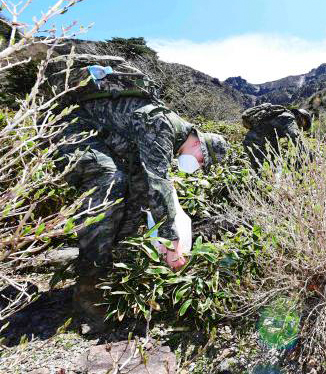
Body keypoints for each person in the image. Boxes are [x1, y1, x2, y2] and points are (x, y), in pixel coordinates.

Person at [52, 53, 229, 331]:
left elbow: (147, 188)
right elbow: (159, 182)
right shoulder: (163, 125)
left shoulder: (166, 137)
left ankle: (115, 271)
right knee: (108, 180)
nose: (198, 165)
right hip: (71, 130)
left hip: (95, 136)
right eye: (203, 160)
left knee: (135, 194)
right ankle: (88, 290)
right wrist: (172, 246)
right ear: (197, 141)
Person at [241, 103, 311, 169]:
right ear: (301, 118)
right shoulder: (289, 118)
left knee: (266, 169)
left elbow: (272, 138)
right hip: (258, 144)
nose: (301, 128)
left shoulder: (281, 115)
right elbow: (295, 136)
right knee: (267, 172)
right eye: (303, 125)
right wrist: (307, 154)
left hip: (251, 141)